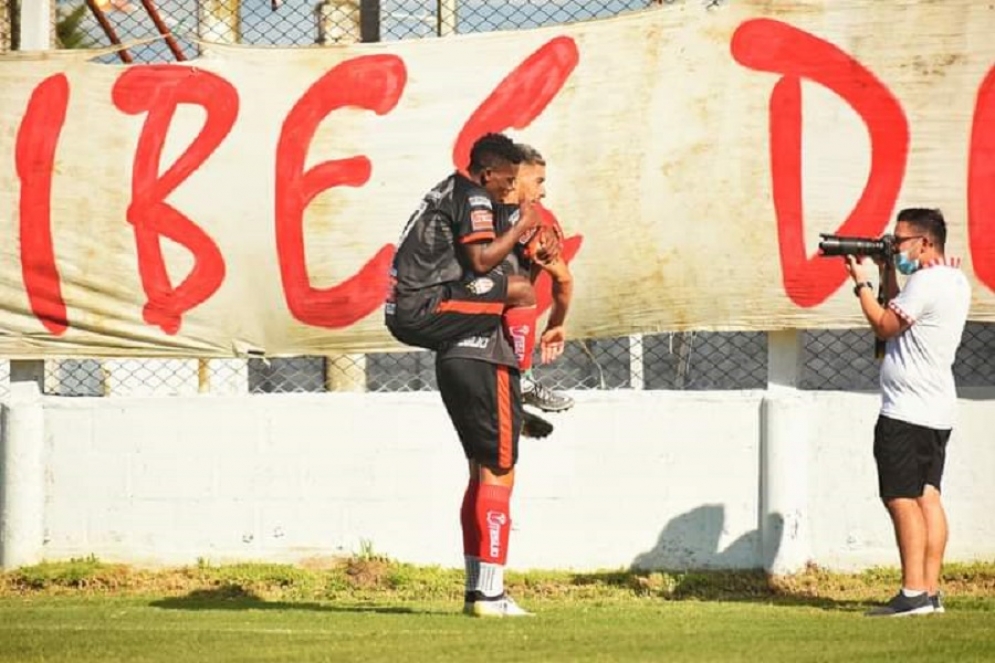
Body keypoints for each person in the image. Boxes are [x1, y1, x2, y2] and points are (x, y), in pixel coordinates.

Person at [385, 132, 562, 617]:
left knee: (480, 472)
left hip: (449, 346)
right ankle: (489, 595)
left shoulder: (458, 194)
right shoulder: (478, 199)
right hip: (449, 328)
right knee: (499, 472)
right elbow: (487, 261)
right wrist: (527, 225)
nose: (528, 190)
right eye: (523, 180)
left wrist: (534, 233)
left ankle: (477, 590)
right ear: (492, 174)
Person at [845, 207, 971, 617]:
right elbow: (903, 308)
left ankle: (913, 592)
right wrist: (887, 272)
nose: (894, 246)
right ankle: (929, 593)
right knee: (928, 497)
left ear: (925, 242)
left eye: (900, 241)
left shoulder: (925, 282)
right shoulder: (953, 279)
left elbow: (885, 325)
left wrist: (861, 283)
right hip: (936, 410)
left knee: (901, 499)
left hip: (906, 411)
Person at [499, 143, 575, 413]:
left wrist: (556, 325)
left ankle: (522, 381)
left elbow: (563, 279)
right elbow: (564, 280)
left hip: (473, 318)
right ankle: (522, 381)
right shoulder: (530, 222)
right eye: (538, 181)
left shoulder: (537, 224)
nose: (543, 191)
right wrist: (556, 324)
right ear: (512, 179)